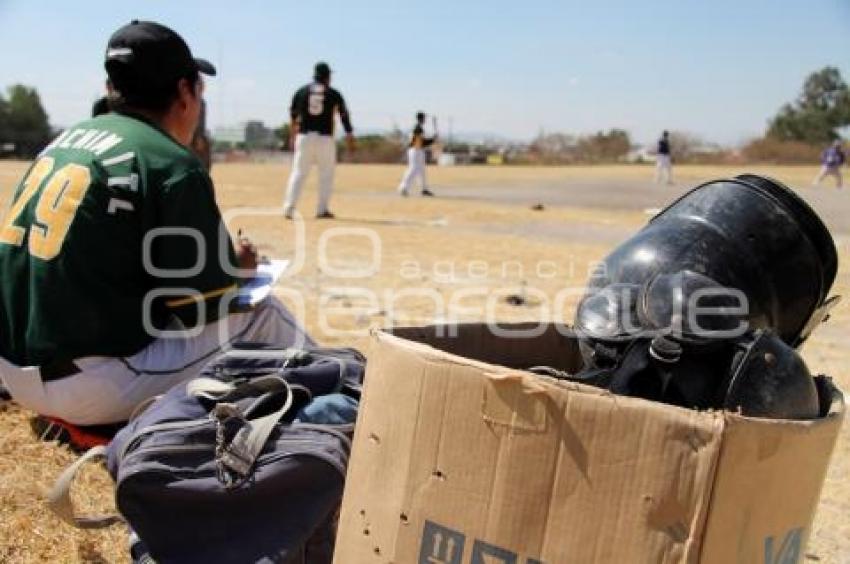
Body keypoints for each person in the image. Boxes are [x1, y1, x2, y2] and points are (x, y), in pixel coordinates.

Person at [0, 20, 312, 426]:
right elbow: (205, 306)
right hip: (88, 387)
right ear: (184, 92)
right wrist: (237, 268)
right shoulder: (170, 162)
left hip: (13, 369)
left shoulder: (63, 141)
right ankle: (351, 393)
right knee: (263, 313)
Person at [283, 62, 354, 220]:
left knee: (299, 172)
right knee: (326, 174)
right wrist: (349, 134)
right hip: (325, 138)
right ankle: (322, 209)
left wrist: (292, 135)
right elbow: (344, 115)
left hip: (304, 136)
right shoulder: (333, 93)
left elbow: (293, 116)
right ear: (327, 76)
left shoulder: (301, 91)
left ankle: (289, 207)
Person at [397, 112, 436, 197]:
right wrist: (432, 140)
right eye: (424, 118)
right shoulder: (418, 129)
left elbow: (422, 142)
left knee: (421, 170)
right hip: (415, 150)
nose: (425, 120)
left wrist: (431, 140)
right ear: (421, 119)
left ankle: (424, 189)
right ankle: (403, 187)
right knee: (413, 169)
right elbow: (420, 143)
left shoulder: (418, 128)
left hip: (418, 150)